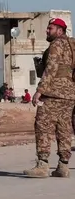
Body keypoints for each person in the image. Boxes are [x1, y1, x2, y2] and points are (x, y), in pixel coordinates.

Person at [24, 18, 75, 178]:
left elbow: (51, 69)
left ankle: (42, 165)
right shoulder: (72, 45)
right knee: (64, 129)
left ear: (60, 30)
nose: (47, 31)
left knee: (43, 126)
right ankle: (63, 166)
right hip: (69, 95)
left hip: (53, 93)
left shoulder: (56, 45)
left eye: (50, 28)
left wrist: (40, 91)